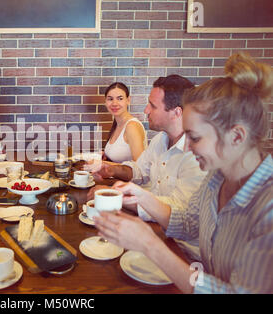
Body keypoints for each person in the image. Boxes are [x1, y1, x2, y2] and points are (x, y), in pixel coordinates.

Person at [94, 53, 272, 293]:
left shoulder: (267, 208)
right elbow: (188, 223)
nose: (187, 147)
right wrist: (139, 194)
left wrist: (148, 244)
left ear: (237, 136)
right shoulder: (216, 179)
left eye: (195, 138)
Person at [88, 75, 207, 261]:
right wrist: (112, 170)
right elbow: (139, 171)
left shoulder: (196, 156)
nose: (145, 111)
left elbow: (179, 216)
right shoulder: (161, 139)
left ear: (176, 112)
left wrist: (117, 197)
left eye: (152, 105)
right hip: (156, 233)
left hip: (183, 252)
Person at [103, 82, 147, 163]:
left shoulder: (132, 126)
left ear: (128, 100)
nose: (114, 103)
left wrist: (105, 164)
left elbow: (140, 167)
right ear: (105, 101)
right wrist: (105, 155)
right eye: (110, 99)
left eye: (120, 98)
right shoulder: (117, 124)